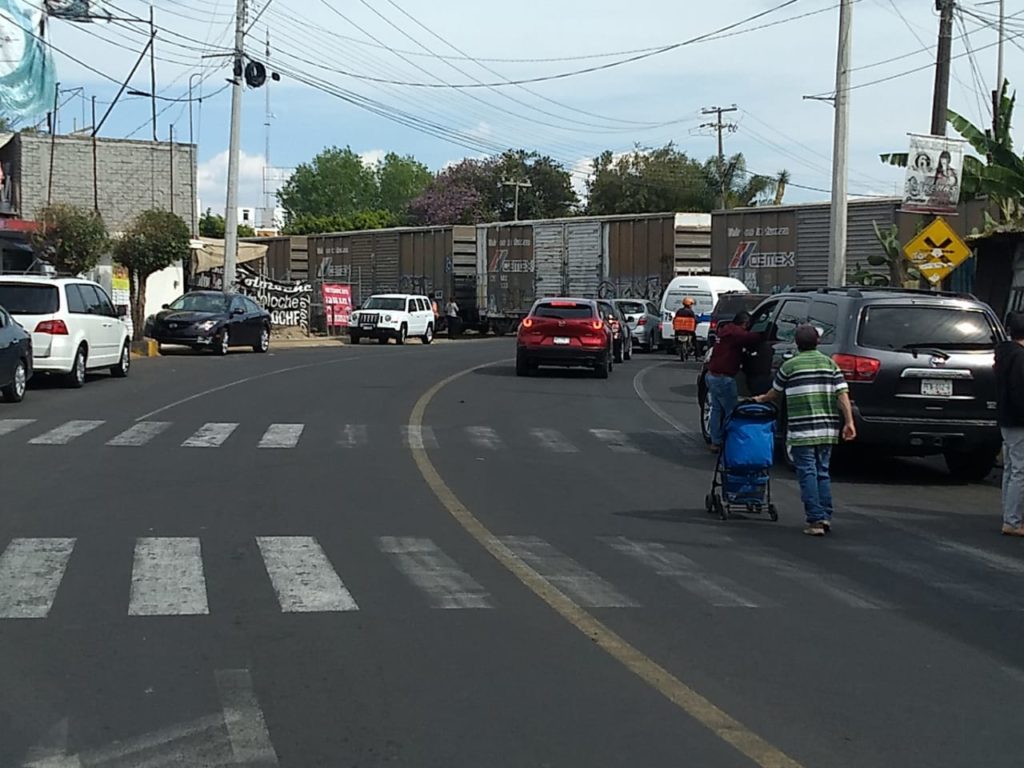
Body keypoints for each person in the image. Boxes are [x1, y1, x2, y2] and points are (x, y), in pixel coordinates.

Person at [755, 324, 856, 536]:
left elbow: (775, 393)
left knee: (807, 473)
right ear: (818, 342)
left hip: (802, 431)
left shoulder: (790, 366)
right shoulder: (830, 364)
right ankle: (825, 516)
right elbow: (842, 394)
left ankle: (815, 520)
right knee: (822, 472)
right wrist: (849, 422)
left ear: (797, 343)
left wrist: (760, 399)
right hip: (827, 429)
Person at [705, 310, 761, 452]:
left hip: (712, 375)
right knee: (731, 411)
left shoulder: (725, 330)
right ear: (745, 323)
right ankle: (730, 441)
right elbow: (753, 338)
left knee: (717, 410)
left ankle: (715, 441)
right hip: (724, 378)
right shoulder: (737, 333)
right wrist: (764, 334)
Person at [996, 312, 1024, 537]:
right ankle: (1013, 520)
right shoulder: (1020, 358)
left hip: (1006, 417)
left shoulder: (1004, 353)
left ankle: (1009, 514)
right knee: (1019, 470)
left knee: (1011, 468)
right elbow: (1020, 392)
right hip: (1019, 419)